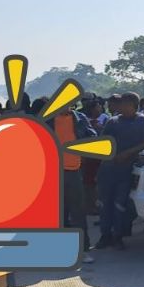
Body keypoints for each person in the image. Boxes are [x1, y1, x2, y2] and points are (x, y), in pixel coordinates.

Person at [98, 92, 144, 250]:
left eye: (124, 104)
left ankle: (118, 236)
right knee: (105, 204)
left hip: (127, 170)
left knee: (120, 204)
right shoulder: (112, 122)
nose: (121, 106)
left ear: (134, 106)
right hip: (108, 169)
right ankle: (105, 235)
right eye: (120, 103)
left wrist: (127, 154)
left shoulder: (143, 121)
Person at [49, 106, 97, 263]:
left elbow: (92, 136)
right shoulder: (48, 120)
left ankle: (83, 251)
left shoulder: (79, 118)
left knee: (78, 214)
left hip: (74, 172)